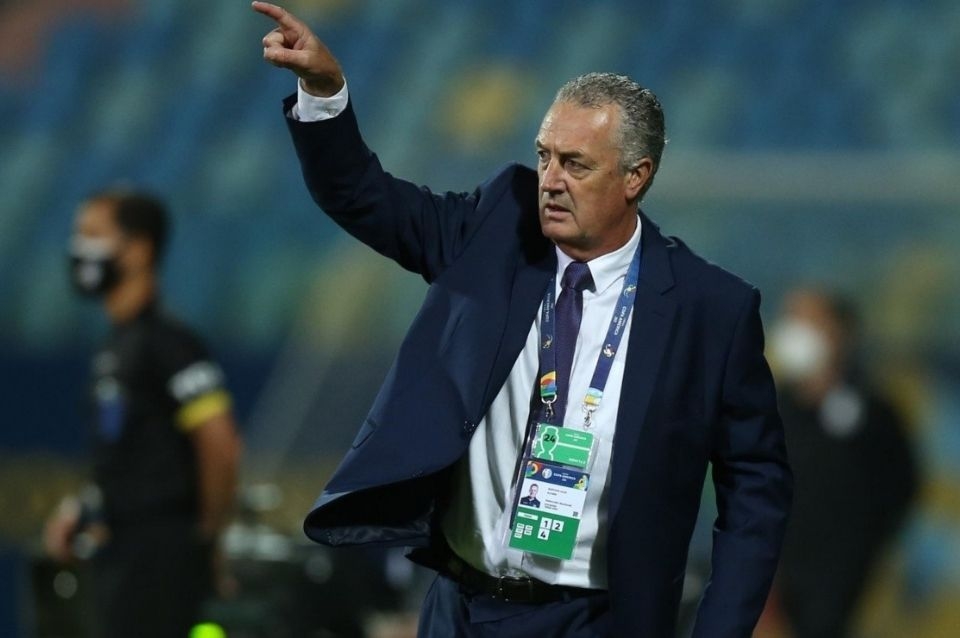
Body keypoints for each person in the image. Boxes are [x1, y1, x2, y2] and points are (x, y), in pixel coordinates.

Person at [253, 3, 792, 636]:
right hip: (460, 608)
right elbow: (363, 196)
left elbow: (756, 490)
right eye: (544, 157)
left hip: (592, 621)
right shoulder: (497, 230)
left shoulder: (709, 310)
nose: (551, 181)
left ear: (635, 177)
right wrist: (324, 93)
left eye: (576, 164)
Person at [43, 190, 242, 638]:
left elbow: (219, 440)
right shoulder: (117, 346)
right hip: (124, 553)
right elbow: (128, 457)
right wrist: (86, 508)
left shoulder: (169, 344)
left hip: (161, 558)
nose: (78, 248)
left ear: (138, 250)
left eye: (93, 234)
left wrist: (207, 537)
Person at [768, 288, 918, 638]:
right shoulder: (771, 406)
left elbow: (901, 483)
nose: (794, 329)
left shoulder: (874, 413)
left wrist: (867, 545)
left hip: (841, 567)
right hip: (777, 563)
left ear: (840, 333)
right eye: (791, 318)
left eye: (808, 320)